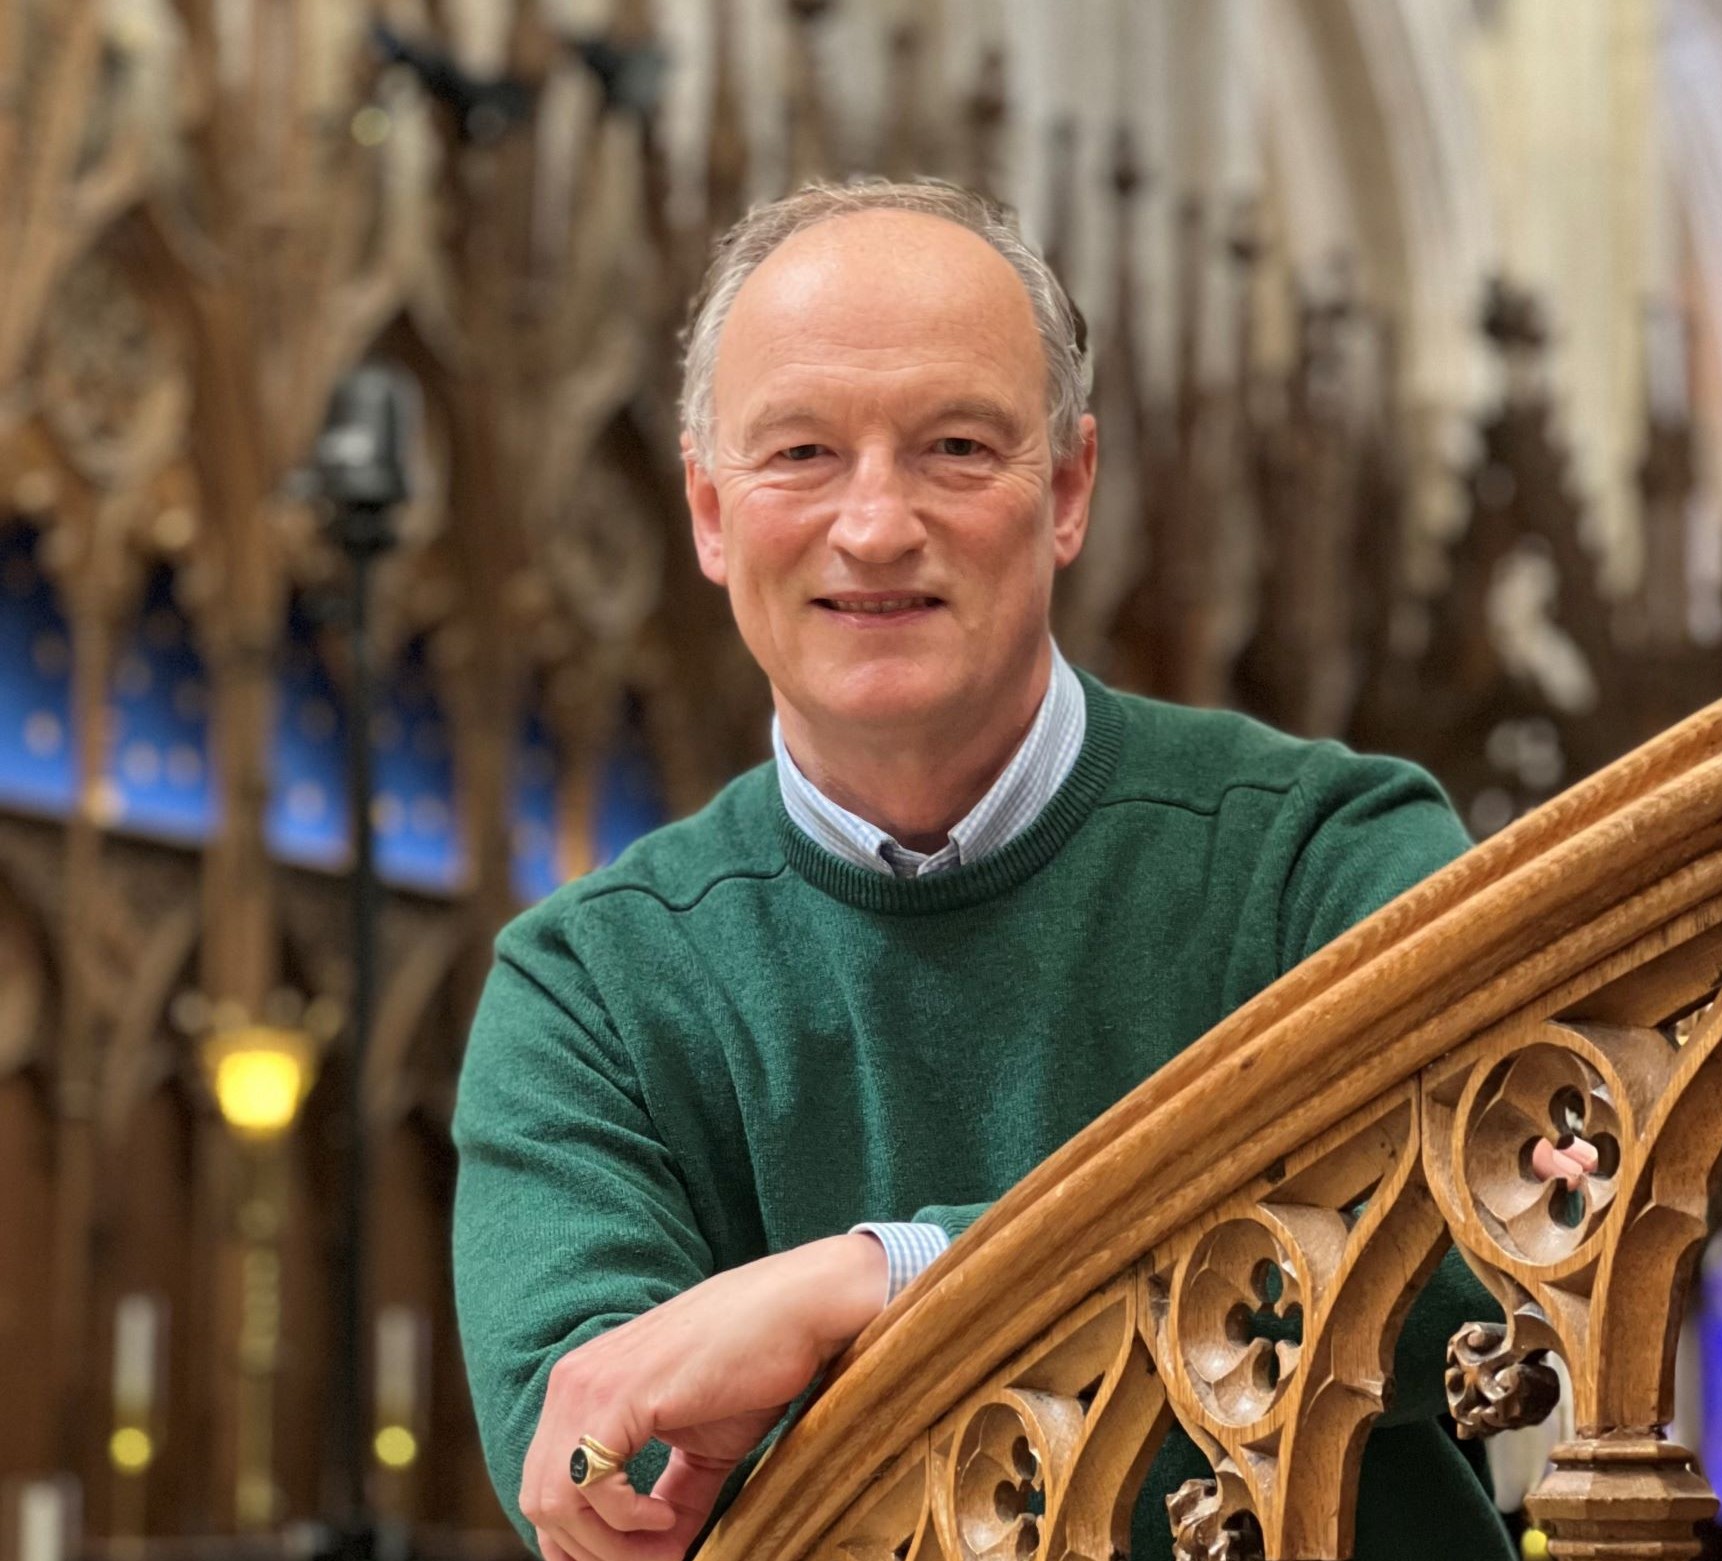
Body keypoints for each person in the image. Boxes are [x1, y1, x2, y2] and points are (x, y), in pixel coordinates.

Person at [452, 179, 1574, 1561]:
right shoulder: (587, 993)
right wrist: (1230, 1284)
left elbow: (1490, 1255)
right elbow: (605, 1472)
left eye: (957, 447)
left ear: (1068, 490)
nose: (874, 524)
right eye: (800, 452)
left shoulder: (1322, 855)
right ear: (707, 510)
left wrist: (868, 1280)